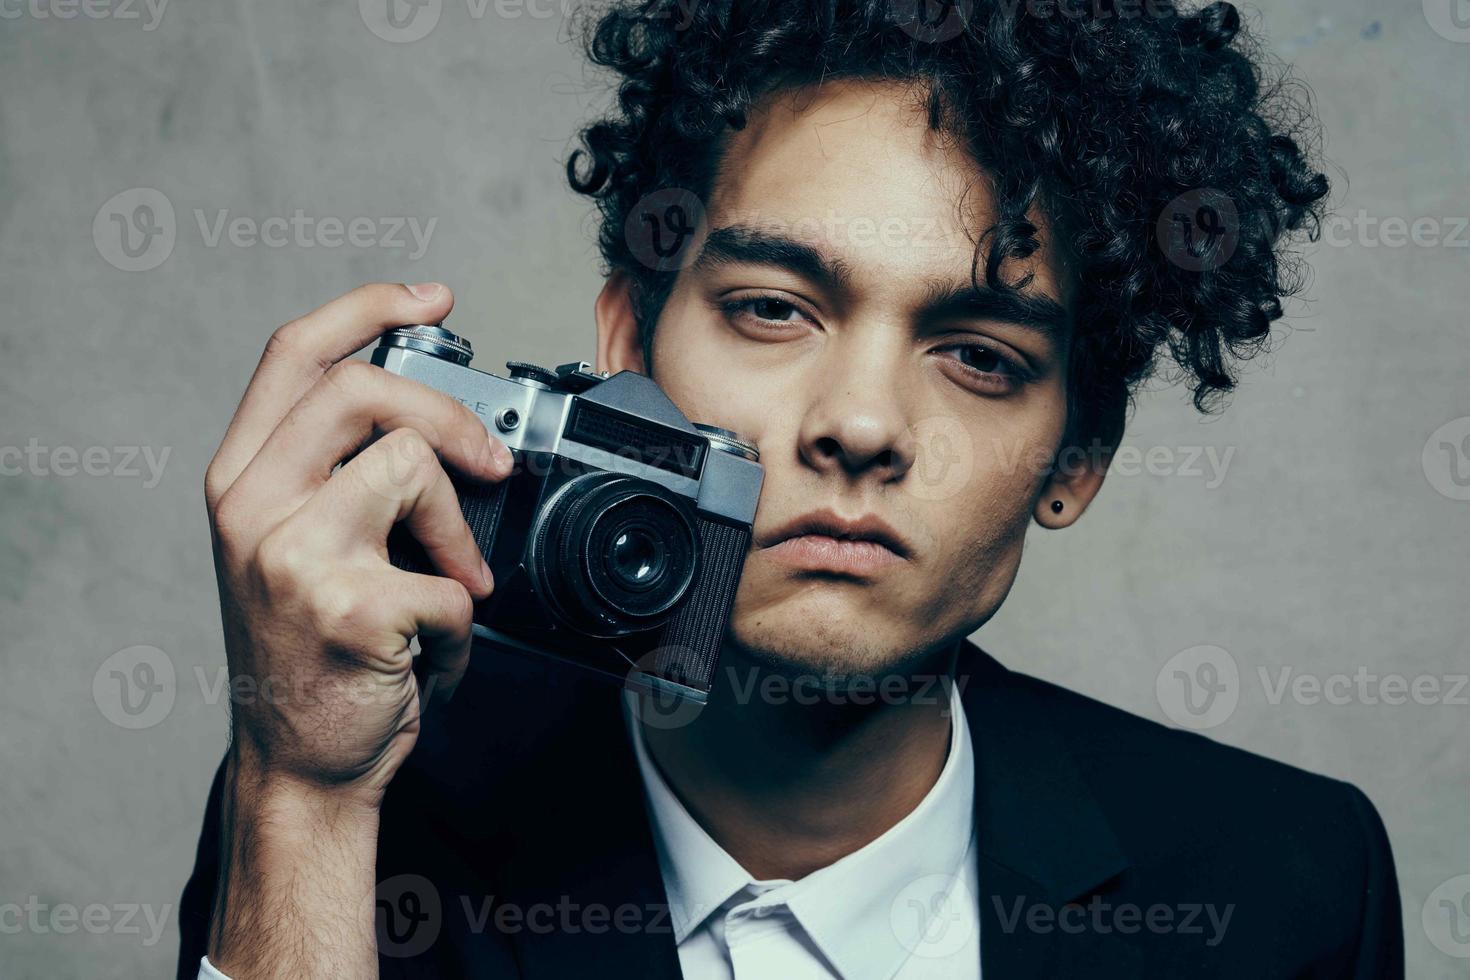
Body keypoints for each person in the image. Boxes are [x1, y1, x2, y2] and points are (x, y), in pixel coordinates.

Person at [179, 1, 1403, 976]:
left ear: (1076, 456)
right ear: (628, 350)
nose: (861, 424)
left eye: (979, 354)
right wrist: (303, 799)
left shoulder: (1284, 884)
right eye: (774, 310)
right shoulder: (357, 809)